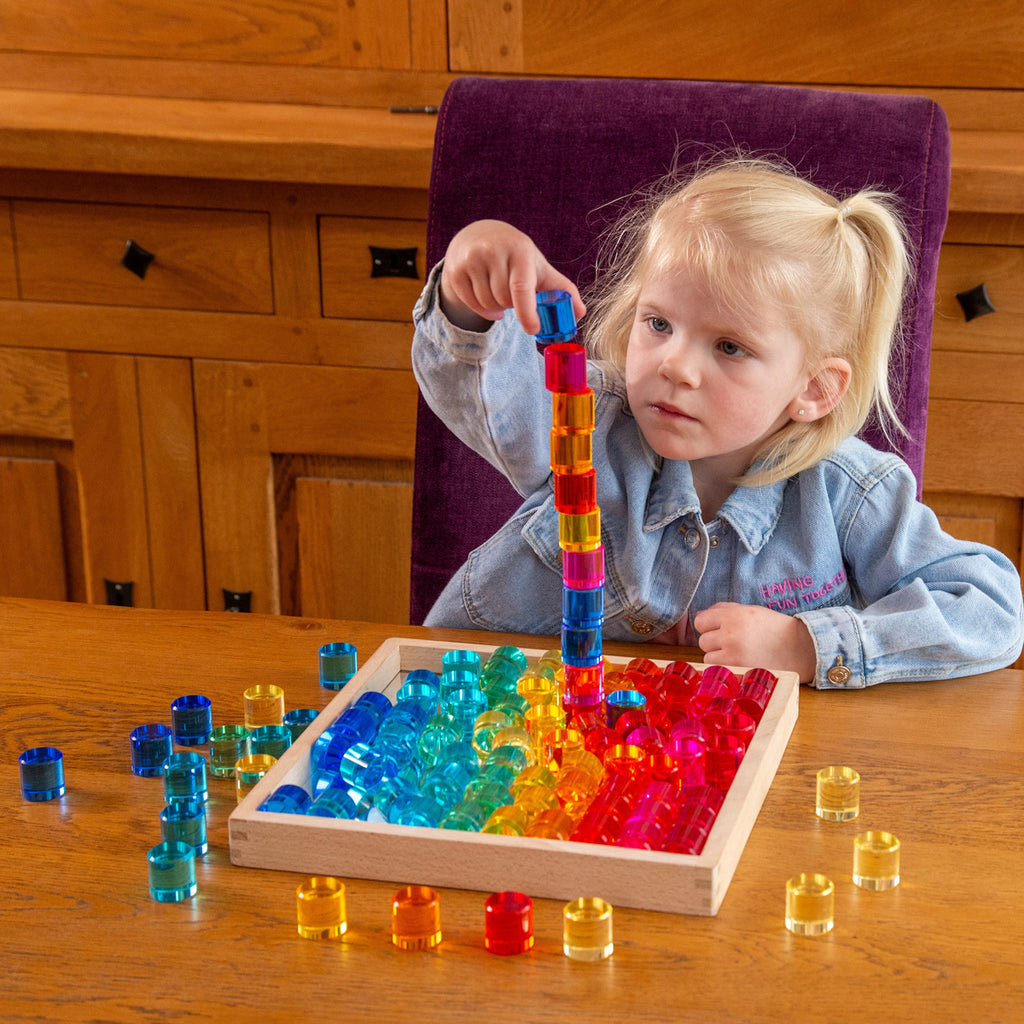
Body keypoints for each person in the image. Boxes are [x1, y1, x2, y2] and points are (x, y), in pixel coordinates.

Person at [411, 158, 1024, 687]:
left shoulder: (849, 493)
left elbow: (990, 607)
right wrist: (469, 298)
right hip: (507, 724)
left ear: (813, 388)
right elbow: (478, 387)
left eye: (729, 347)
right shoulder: (589, 417)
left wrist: (809, 647)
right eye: (659, 324)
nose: (675, 366)